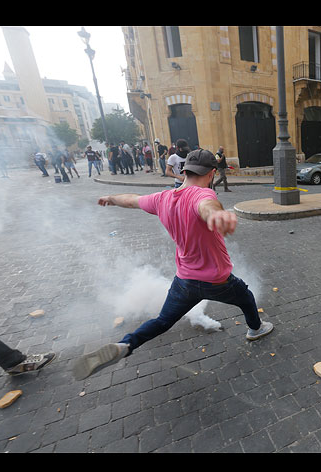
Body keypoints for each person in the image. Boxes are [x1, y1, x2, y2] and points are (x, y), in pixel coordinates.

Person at [72, 149, 273, 381]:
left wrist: (111, 198)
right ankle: (255, 329)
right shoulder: (202, 195)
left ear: (183, 170)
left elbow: (132, 200)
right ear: (211, 173)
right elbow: (207, 205)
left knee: (163, 321)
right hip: (217, 281)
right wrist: (216, 215)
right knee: (246, 296)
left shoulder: (162, 198)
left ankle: (125, 345)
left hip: (185, 280)